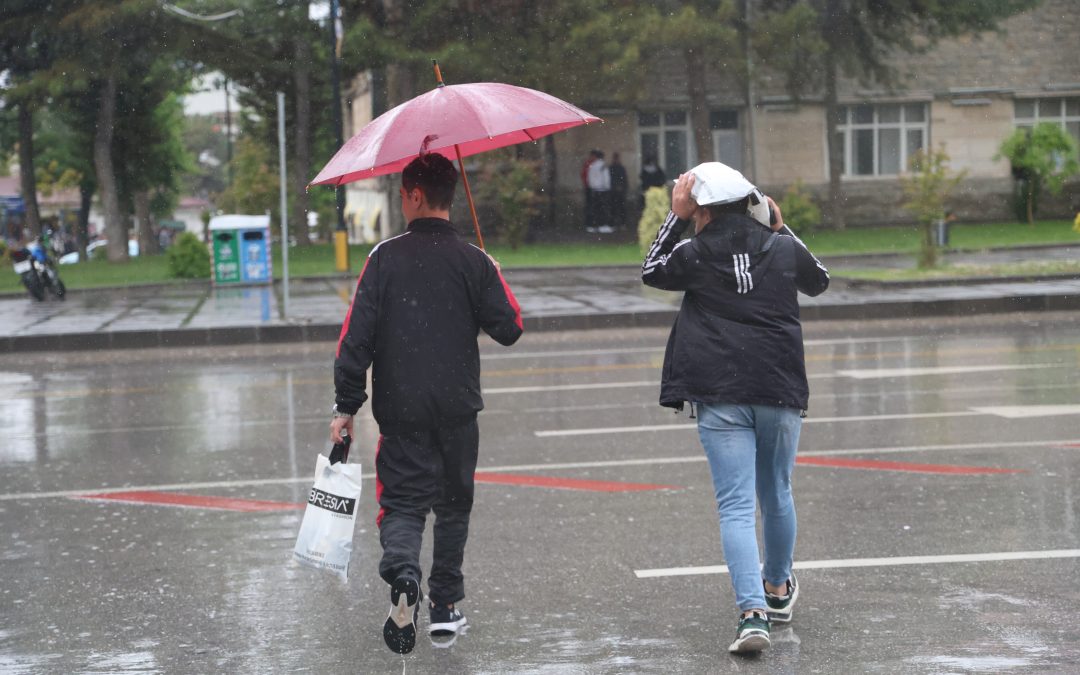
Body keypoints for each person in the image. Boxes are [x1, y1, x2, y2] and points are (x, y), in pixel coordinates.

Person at [330, 153, 524, 655]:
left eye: (401, 193)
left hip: (402, 407)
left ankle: (404, 577)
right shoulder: (473, 260)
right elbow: (510, 328)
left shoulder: (383, 258)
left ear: (415, 195)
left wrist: (346, 405)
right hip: (459, 406)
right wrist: (493, 272)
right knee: (454, 505)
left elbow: (356, 338)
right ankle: (444, 607)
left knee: (404, 503)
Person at [641, 162, 829, 655]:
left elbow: (651, 270)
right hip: (780, 388)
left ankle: (752, 616)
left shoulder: (694, 253)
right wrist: (780, 224)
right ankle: (778, 589)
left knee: (736, 506)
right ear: (753, 203)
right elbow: (821, 280)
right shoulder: (783, 248)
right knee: (777, 492)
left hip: (721, 394)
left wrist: (674, 218)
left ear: (699, 208)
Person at [585, 149, 611, 233]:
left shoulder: (592, 166)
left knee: (595, 209)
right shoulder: (603, 165)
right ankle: (602, 225)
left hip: (594, 190)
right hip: (603, 190)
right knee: (603, 209)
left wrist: (592, 186)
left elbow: (589, 178)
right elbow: (606, 178)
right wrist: (607, 187)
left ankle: (593, 226)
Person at [608, 152, 628, 230]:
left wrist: (622, 187)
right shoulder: (612, 168)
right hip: (614, 192)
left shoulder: (620, 168)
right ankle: (614, 224)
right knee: (613, 208)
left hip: (620, 191)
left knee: (621, 208)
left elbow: (624, 179)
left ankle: (622, 223)